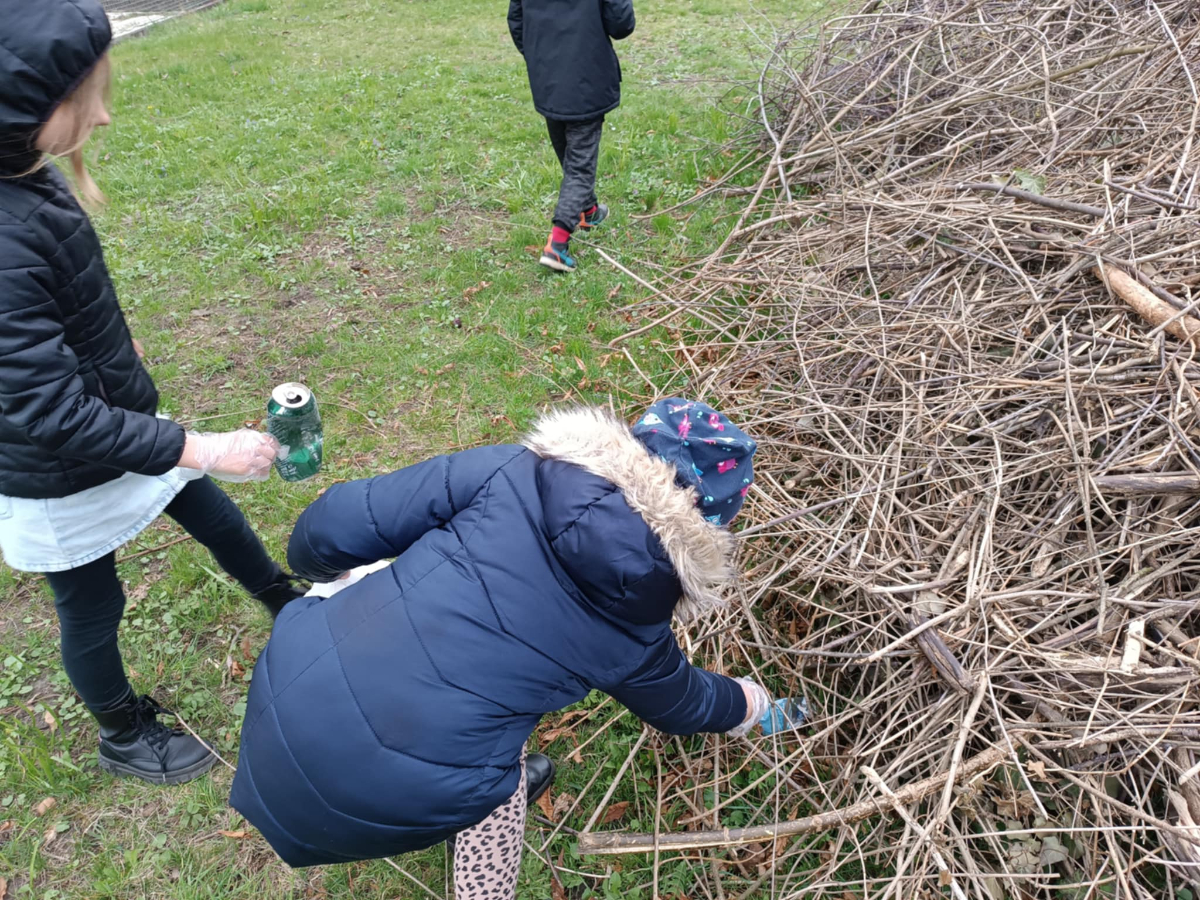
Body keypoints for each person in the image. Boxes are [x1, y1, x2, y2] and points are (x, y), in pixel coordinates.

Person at [230, 400, 784, 899]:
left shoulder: (510, 470)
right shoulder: (639, 623)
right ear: (712, 523)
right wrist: (751, 704)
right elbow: (684, 703)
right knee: (492, 793)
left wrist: (331, 577)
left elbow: (332, 527)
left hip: (289, 691)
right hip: (396, 800)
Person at [0, 0, 305, 786]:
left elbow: (53, 310)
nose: (102, 115)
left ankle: (286, 601)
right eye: (86, 98)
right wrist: (201, 446)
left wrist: (109, 343)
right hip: (58, 468)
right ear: (26, 106)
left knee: (212, 513)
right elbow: (48, 410)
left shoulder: (21, 174)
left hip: (112, 420)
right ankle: (122, 731)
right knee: (92, 604)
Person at [507, 0, 635, 273]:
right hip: (586, 75)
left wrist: (540, 56)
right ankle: (558, 243)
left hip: (547, 74)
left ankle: (588, 210)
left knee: (567, 149)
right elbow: (622, 24)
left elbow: (516, 20)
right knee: (579, 165)